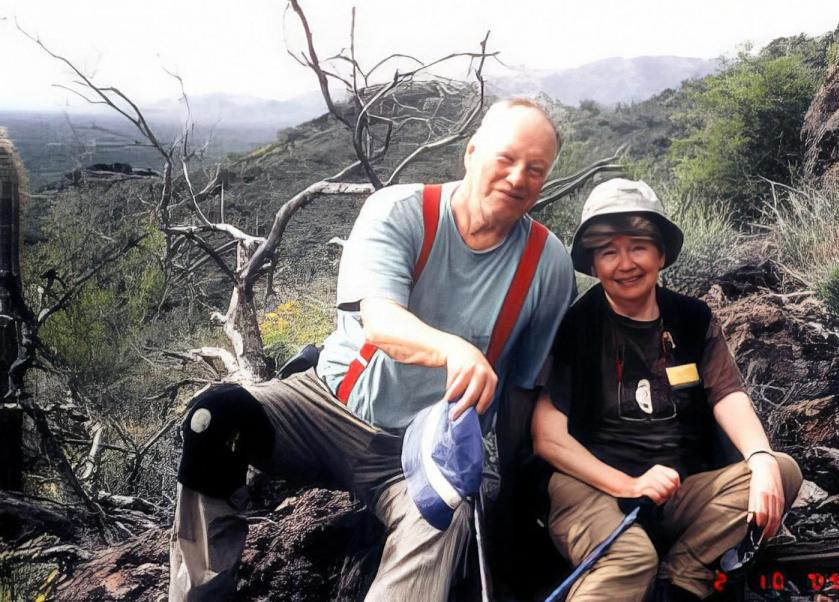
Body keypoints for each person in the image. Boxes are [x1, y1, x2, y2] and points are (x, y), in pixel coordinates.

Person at [168, 98, 577, 601]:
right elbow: (380, 321)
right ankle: (203, 593)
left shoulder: (548, 266)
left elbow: (521, 390)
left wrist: (513, 493)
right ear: (471, 153)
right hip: (326, 408)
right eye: (506, 159)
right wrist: (454, 349)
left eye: (535, 169)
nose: (518, 177)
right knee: (213, 417)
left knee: (443, 513)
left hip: (426, 450)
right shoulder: (402, 211)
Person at [531, 178, 803, 601]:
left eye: (638, 246)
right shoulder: (579, 326)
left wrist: (762, 459)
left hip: (676, 490)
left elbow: (726, 394)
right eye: (608, 251)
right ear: (594, 264)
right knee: (630, 558)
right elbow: (547, 437)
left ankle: (681, 578)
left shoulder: (691, 317)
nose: (625, 263)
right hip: (591, 487)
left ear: (660, 254)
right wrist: (626, 484)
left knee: (781, 471)